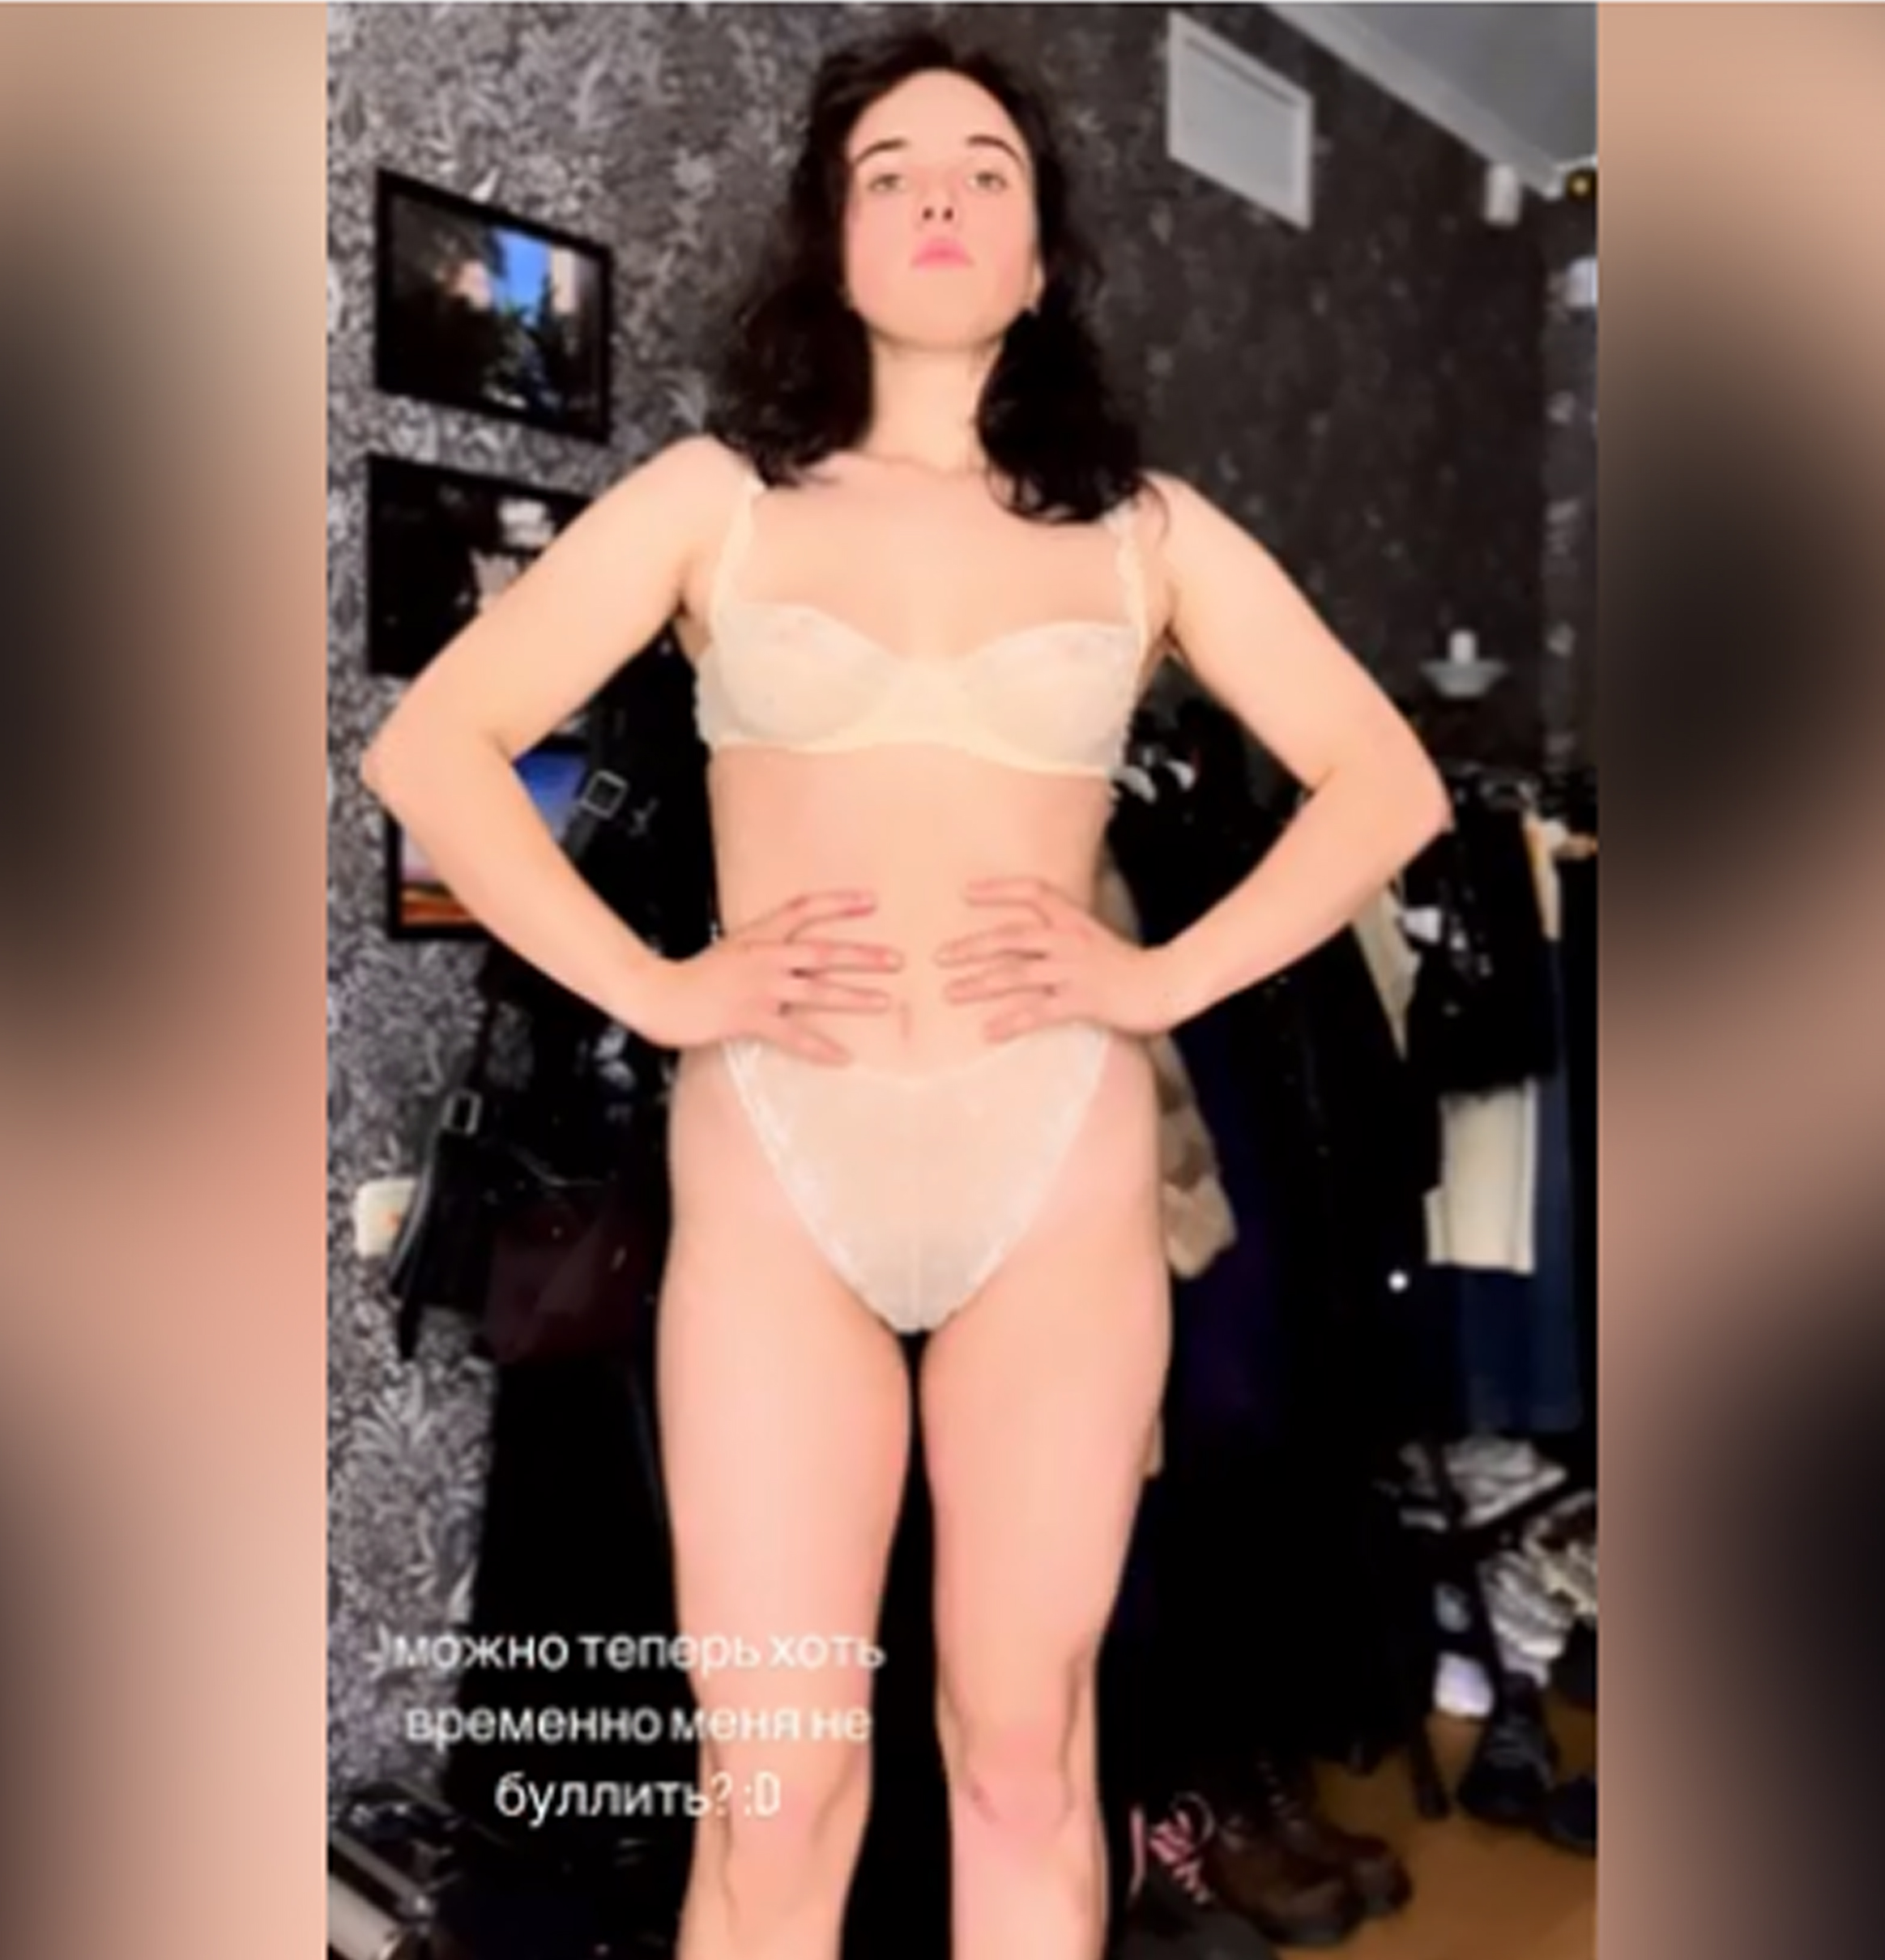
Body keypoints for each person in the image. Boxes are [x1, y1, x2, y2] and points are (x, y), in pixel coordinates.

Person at [360, 28, 1451, 1960]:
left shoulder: (1145, 531)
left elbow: (1388, 784)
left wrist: (1162, 970)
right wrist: (657, 987)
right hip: (781, 1176)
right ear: (835, 242)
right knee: (774, 1788)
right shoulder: (713, 500)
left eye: (982, 171)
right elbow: (433, 749)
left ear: (1035, 260)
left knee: (1022, 1759)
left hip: (1054, 1176)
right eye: (889, 173)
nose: (937, 195)